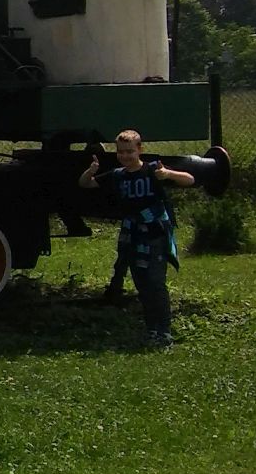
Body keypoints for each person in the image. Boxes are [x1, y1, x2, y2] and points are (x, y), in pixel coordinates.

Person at [80, 129, 197, 347]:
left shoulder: (153, 171)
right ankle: (152, 330)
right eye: (121, 152)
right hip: (132, 236)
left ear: (139, 150)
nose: (125, 156)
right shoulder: (118, 175)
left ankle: (164, 332)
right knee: (142, 284)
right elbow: (85, 183)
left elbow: (190, 179)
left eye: (130, 152)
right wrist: (91, 170)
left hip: (155, 234)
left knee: (156, 283)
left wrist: (168, 174)